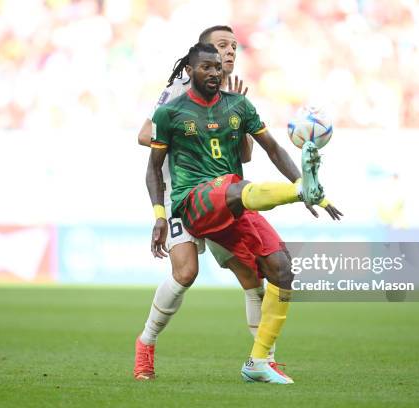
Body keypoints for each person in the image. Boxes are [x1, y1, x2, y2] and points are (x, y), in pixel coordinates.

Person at [146, 42, 342, 384]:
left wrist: (307, 186)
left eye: (218, 66)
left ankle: (258, 362)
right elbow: (153, 168)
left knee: (280, 268)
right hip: (193, 200)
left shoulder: (239, 105)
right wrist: (160, 215)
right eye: (206, 67)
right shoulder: (170, 113)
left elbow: (273, 148)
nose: (214, 72)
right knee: (234, 191)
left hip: (235, 201)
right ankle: (299, 192)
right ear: (189, 71)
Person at [135, 26, 287, 381]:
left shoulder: (232, 99)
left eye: (233, 47)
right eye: (222, 46)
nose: (229, 53)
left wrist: (238, 128)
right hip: (185, 197)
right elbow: (145, 134)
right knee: (186, 273)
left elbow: (245, 157)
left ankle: (265, 359)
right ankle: (146, 344)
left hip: (223, 199)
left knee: (252, 275)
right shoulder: (178, 92)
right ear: (197, 61)